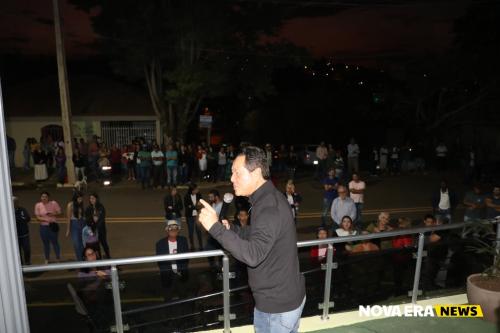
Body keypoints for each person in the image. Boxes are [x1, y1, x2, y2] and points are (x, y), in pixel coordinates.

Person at [198, 146, 306, 333]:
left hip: (278, 308)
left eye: (237, 173)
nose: (232, 179)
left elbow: (253, 255)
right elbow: (259, 235)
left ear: (256, 173)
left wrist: (215, 228)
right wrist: (233, 230)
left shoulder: (268, 206)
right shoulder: (264, 199)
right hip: (272, 302)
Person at [155, 220, 189, 300]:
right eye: (171, 228)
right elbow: (160, 262)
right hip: (167, 275)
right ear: (167, 230)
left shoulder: (183, 241)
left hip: (181, 274)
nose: (173, 230)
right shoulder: (160, 244)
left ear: (178, 230)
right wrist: (167, 272)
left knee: (183, 296)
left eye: (175, 228)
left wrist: (181, 270)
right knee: (167, 298)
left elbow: (186, 258)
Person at [34, 192, 62, 264]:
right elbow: (37, 217)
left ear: (48, 197)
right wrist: (45, 219)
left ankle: (58, 258)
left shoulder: (53, 203)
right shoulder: (38, 205)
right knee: (46, 243)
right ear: (40, 197)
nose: (44, 198)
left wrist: (53, 214)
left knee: (55, 242)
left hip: (53, 226)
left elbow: (60, 212)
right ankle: (47, 258)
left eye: (45, 197)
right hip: (43, 227)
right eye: (42, 196)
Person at [85, 193, 111, 259]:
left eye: (93, 198)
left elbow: (102, 218)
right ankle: (98, 259)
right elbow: (87, 220)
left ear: (96, 199)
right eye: (90, 198)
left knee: (104, 243)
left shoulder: (100, 207)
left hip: (101, 229)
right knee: (96, 246)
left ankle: (108, 257)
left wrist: (97, 225)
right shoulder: (88, 208)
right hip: (93, 230)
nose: (91, 200)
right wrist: (92, 221)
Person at [66, 191, 86, 261]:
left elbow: (83, 216)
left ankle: (83, 258)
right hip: (74, 224)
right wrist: (68, 230)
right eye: (79, 199)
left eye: (81, 199)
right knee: (76, 243)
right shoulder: (70, 205)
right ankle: (79, 259)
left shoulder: (81, 204)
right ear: (75, 198)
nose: (81, 200)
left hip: (82, 223)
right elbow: (68, 218)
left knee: (83, 243)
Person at [14, 196, 31, 265]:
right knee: (18, 251)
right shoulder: (9, 211)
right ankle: (20, 264)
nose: (15, 203)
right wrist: (21, 218)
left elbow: (28, 218)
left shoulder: (22, 209)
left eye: (16, 202)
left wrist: (20, 219)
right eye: (14, 202)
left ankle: (27, 262)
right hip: (15, 236)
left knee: (27, 249)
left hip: (25, 235)